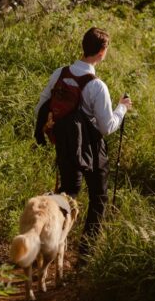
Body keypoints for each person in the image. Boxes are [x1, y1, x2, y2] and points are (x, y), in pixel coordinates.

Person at [34, 26, 132, 253]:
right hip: (91, 148)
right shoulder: (97, 86)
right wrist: (122, 108)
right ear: (102, 52)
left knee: (67, 193)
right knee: (99, 196)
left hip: (65, 143)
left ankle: (48, 242)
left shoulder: (60, 73)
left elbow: (41, 105)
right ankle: (86, 254)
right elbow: (107, 127)